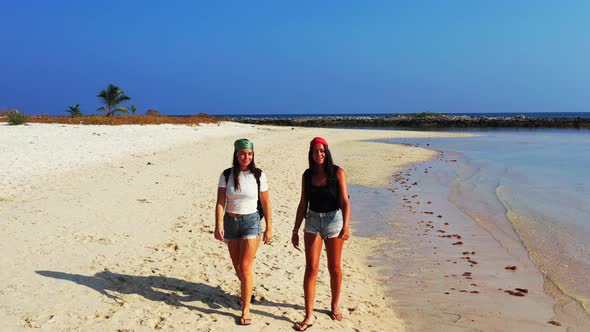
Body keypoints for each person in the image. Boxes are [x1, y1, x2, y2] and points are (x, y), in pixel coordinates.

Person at [291, 137, 350, 331]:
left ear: (327, 151)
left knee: (334, 268)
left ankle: (334, 305)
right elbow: (303, 203)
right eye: (315, 151)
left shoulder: (338, 172)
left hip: (334, 221)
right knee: (311, 269)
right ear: (311, 154)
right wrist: (295, 229)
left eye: (322, 150)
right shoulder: (307, 175)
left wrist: (346, 227)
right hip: (313, 221)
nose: (319, 154)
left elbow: (345, 202)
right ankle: (308, 315)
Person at [215, 138, 272, 326]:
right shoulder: (226, 174)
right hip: (230, 223)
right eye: (242, 153)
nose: (245, 156)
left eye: (249, 153)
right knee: (238, 267)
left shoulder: (259, 175)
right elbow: (220, 202)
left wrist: (269, 228)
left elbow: (265, 203)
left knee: (246, 267)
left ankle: (246, 308)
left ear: (253, 154)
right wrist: (218, 225)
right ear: (236, 154)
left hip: (251, 222)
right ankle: (247, 291)